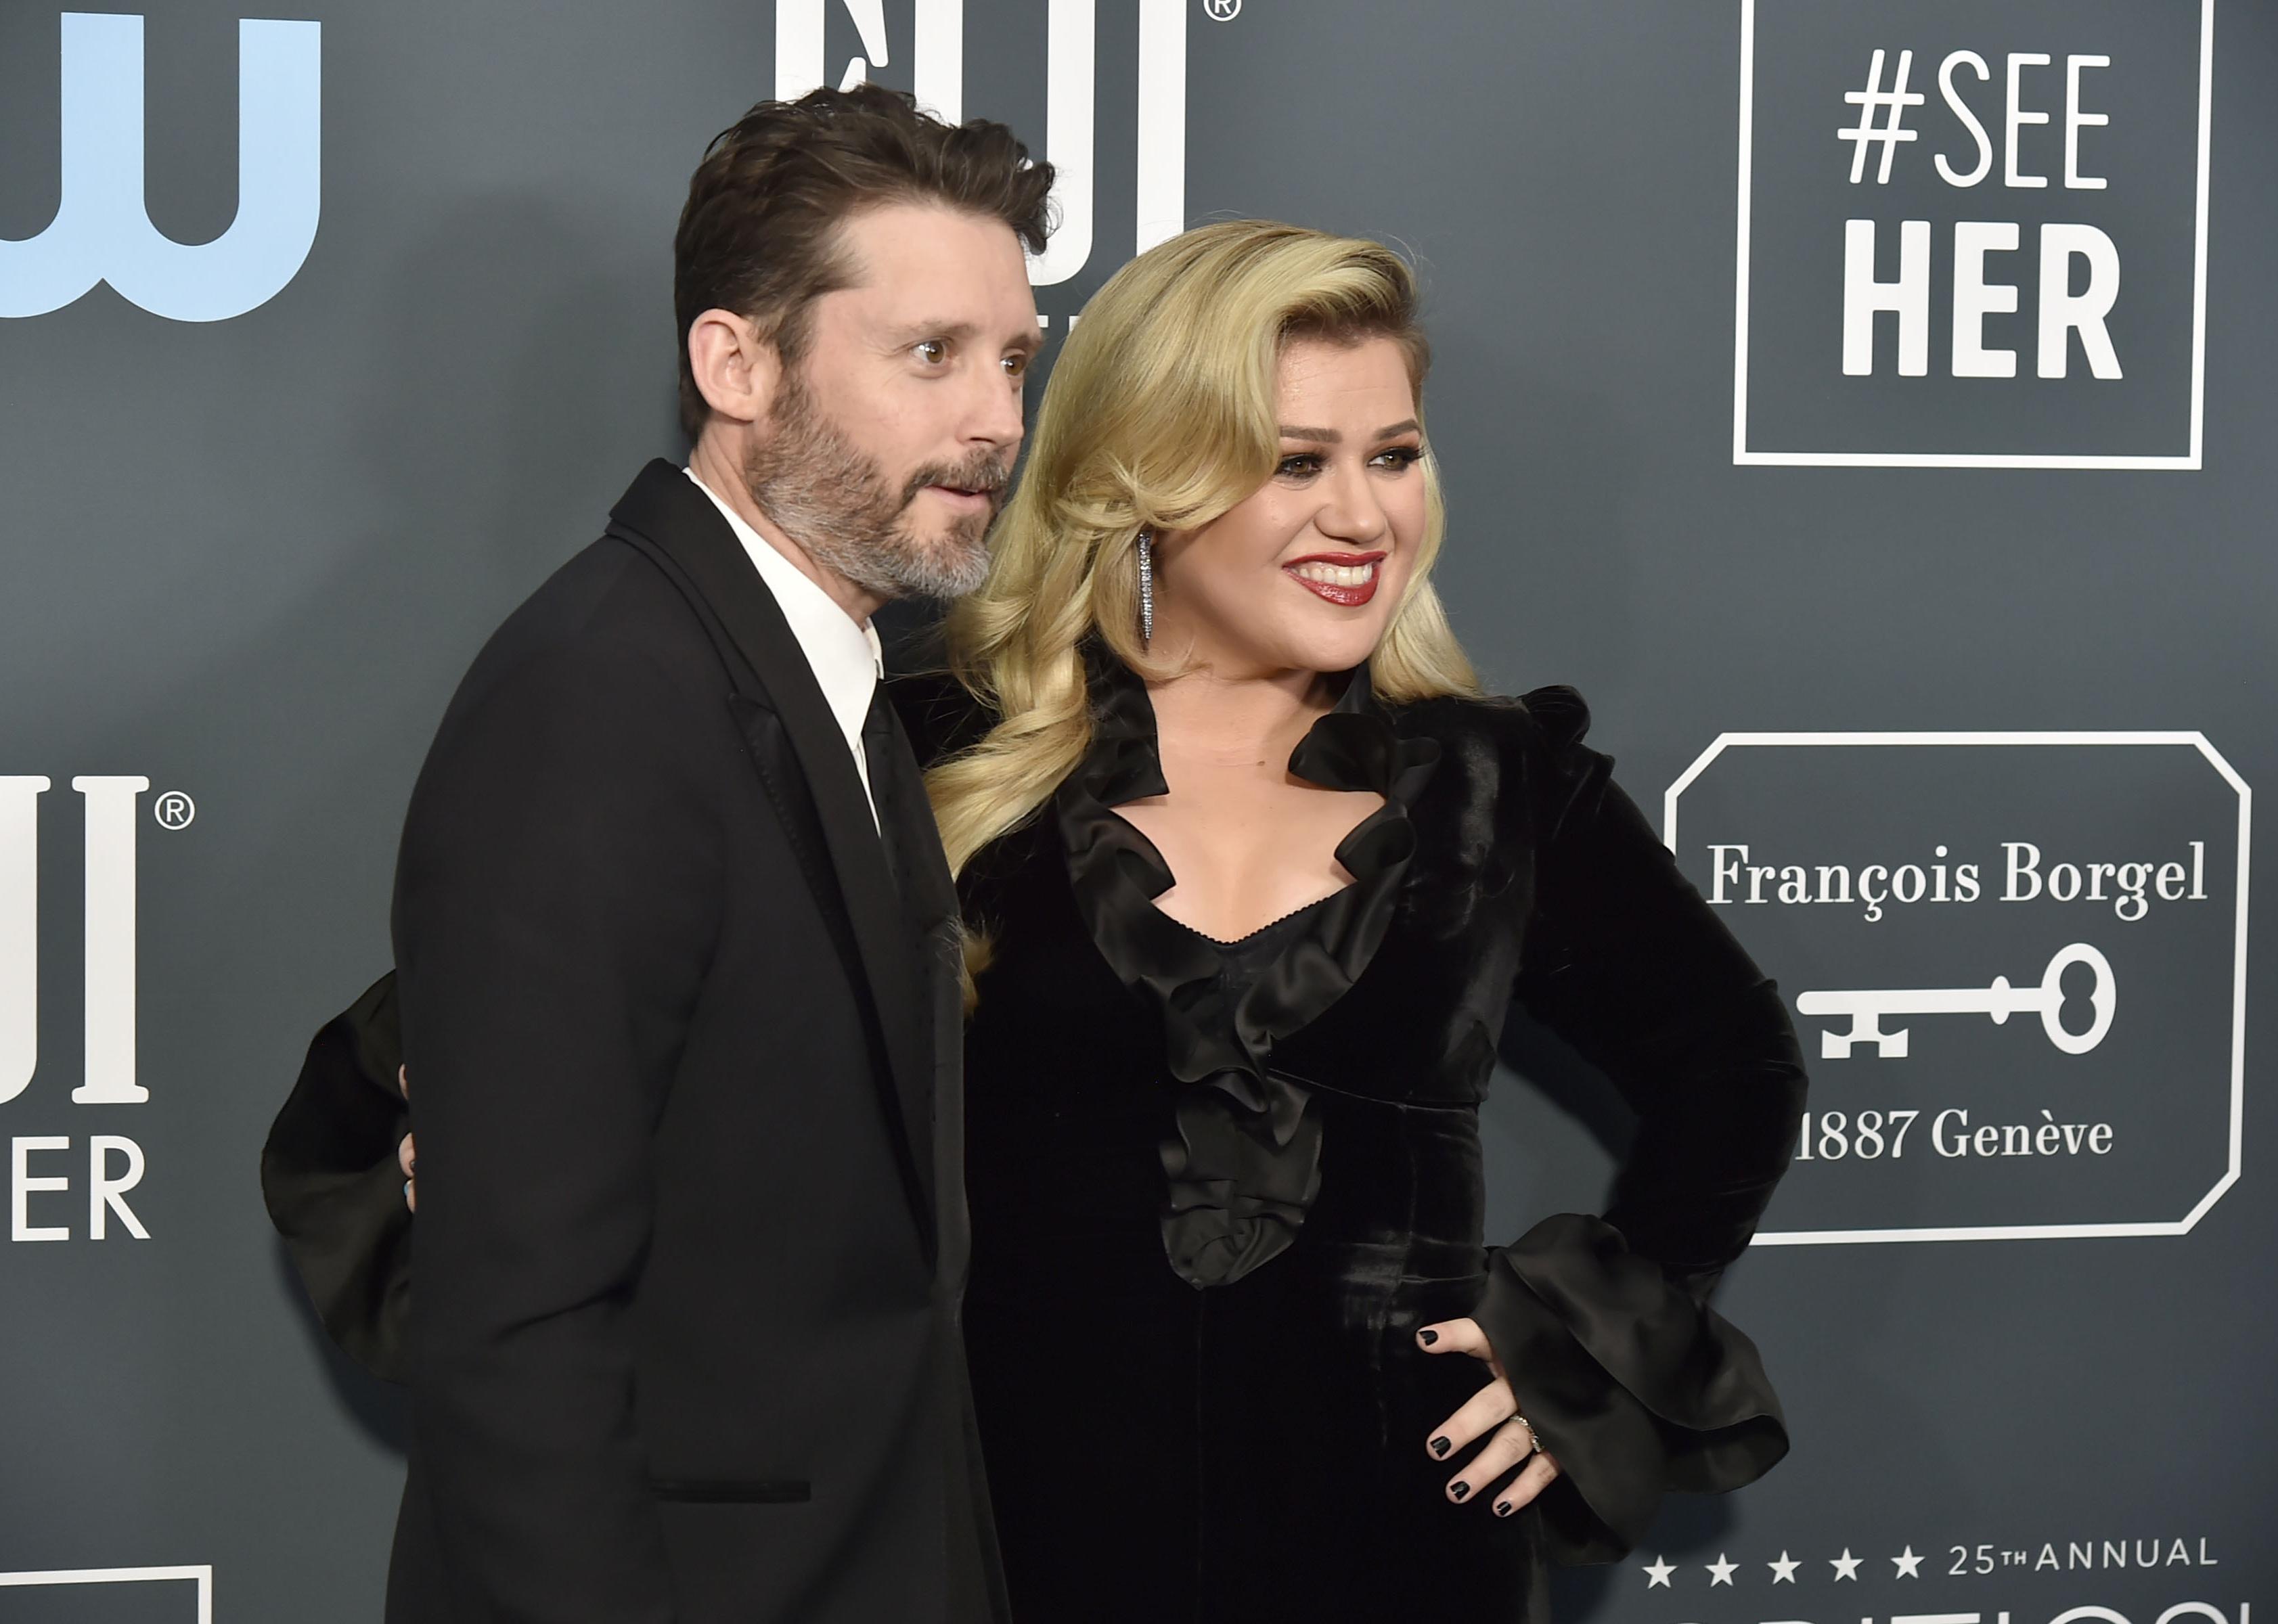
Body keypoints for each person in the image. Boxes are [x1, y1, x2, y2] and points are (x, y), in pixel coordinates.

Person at [273, 221, 1809, 1620]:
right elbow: (510, 1003)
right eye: (1291, 463)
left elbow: (1735, 1062)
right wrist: (474, 1147)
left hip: (1400, 1562)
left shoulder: (1496, 784)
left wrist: (1581, 1336)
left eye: (1394, 454)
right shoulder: (916, 745)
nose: (1362, 516)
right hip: (992, 1552)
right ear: (1145, 478)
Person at [263, 84, 1052, 1624]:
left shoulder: (816, 674)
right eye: (930, 356)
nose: (997, 421)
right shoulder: (601, 698)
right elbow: (519, 1333)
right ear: (735, 361)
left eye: (1016, 357)